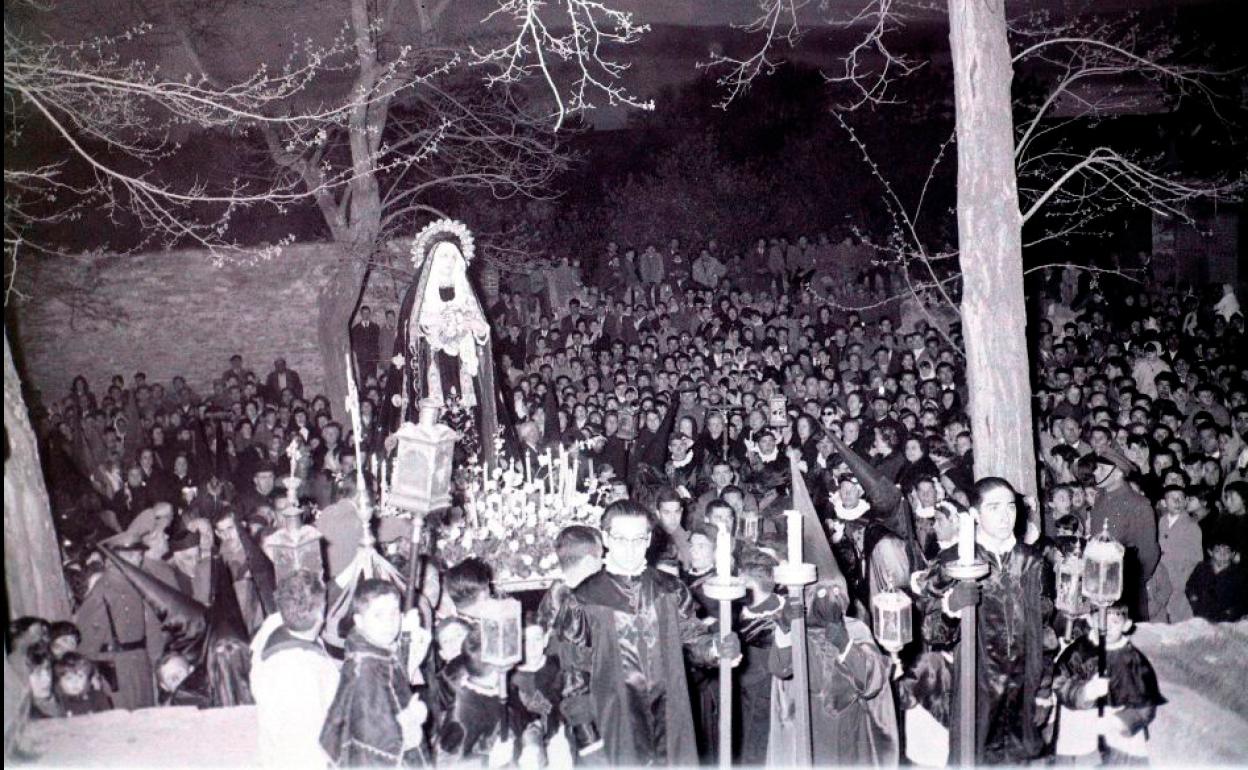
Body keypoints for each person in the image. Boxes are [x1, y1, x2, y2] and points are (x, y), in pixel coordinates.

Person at [556, 499, 740, 766]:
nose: (630, 549)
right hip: (613, 728)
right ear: (606, 538)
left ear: (649, 539)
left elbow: (693, 640)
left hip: (671, 721)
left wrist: (715, 649)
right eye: (621, 538)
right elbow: (573, 679)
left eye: (638, 539)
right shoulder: (583, 600)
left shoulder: (671, 589)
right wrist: (588, 740)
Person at [920, 477, 1052, 764]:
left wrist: (1044, 686)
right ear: (976, 515)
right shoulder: (952, 563)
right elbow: (932, 632)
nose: (1006, 516)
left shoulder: (1030, 560)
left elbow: (1043, 627)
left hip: (1022, 686)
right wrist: (952, 607)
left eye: (1011, 507)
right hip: (976, 685)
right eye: (994, 508)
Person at [320, 579, 430, 766]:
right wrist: (412, 719)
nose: (389, 623)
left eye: (394, 613)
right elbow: (377, 745)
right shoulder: (367, 668)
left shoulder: (367, 648)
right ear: (359, 621)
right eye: (378, 615)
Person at [1052, 603, 1165, 764]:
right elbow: (1060, 684)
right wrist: (1085, 693)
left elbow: (1146, 704)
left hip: (1117, 725)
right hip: (1081, 722)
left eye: (1115, 622)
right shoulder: (1078, 652)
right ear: (1090, 620)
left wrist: (1121, 721)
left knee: (1130, 751)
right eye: (1101, 620)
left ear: (1126, 625)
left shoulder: (1133, 659)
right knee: (1072, 739)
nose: (1107, 627)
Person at [250, 570, 341, 768]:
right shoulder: (308, 672)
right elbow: (310, 747)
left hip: (272, 743)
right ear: (320, 613)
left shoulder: (272, 625)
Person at [74, 542, 162, 710]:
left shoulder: (135, 583)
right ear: (118, 557)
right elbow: (87, 638)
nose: (139, 559)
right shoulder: (105, 589)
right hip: (118, 669)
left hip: (139, 664)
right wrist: (92, 674)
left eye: (138, 554)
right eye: (134, 555)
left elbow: (151, 629)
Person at [1080, 450, 1160, 621]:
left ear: (1117, 474)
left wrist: (1132, 582)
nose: (1095, 472)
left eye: (1101, 469)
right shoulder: (1101, 496)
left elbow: (1149, 553)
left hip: (1124, 588)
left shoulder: (1138, 504)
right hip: (1097, 583)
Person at [1155, 485, 1203, 622]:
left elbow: (1197, 560)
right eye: (1172, 498)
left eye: (1181, 498)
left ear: (1186, 501)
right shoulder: (1161, 522)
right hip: (1161, 580)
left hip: (1180, 582)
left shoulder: (1192, 527)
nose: (1177, 502)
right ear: (1164, 502)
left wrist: (1184, 581)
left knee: (1178, 619)